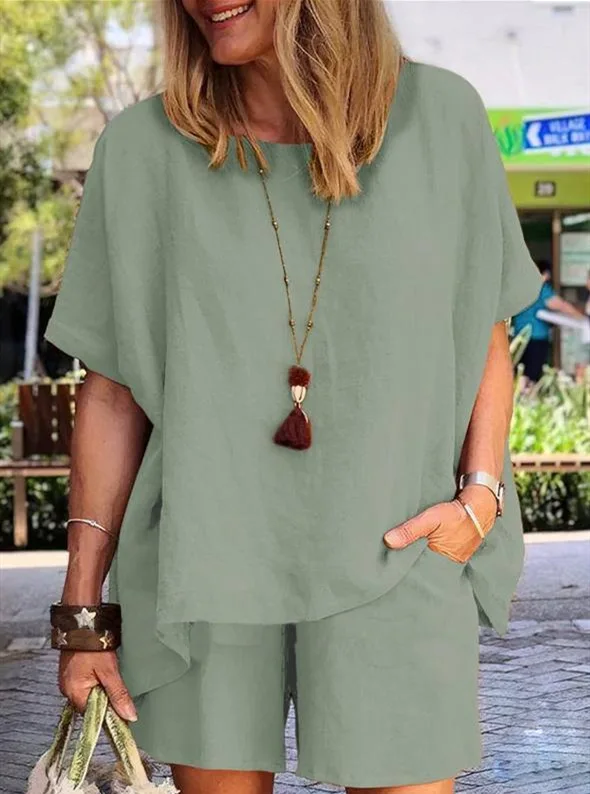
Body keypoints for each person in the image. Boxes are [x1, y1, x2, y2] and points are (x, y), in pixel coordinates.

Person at [44, 2, 544, 793]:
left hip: (400, 548)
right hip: (203, 566)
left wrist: (479, 498)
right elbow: (112, 392)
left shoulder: (442, 121)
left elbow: (483, 326)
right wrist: (82, 617)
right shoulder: (143, 150)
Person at [512, 262, 586, 382]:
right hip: (536, 338)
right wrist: (581, 318)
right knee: (532, 376)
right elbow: (561, 305)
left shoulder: (522, 287)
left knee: (520, 376)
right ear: (545, 274)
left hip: (520, 336)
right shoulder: (540, 288)